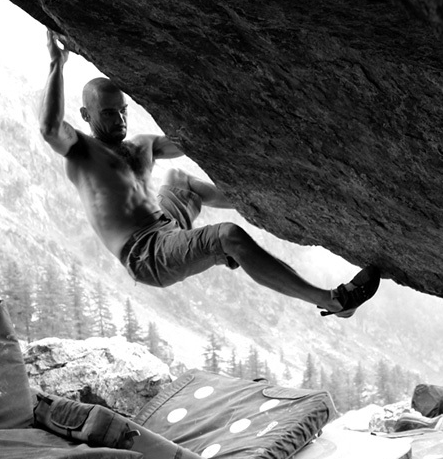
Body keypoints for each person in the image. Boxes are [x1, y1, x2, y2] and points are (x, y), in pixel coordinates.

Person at [38, 30, 379, 318]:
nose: (121, 121)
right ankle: (333, 301)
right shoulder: (81, 152)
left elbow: (192, 140)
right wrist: (58, 63)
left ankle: (264, 205)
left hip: (168, 224)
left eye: (124, 111)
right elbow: (50, 127)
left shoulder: (142, 145)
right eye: (110, 114)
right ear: (86, 115)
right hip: (147, 253)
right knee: (227, 235)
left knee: (177, 179)